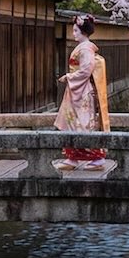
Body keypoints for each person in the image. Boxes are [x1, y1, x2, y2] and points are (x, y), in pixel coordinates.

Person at [53, 14, 110, 171]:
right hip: (77, 90)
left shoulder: (86, 48)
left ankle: (97, 158)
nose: (74, 33)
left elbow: (86, 70)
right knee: (71, 122)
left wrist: (69, 76)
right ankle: (72, 157)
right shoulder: (85, 47)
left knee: (83, 124)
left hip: (82, 91)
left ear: (83, 32)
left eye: (76, 30)